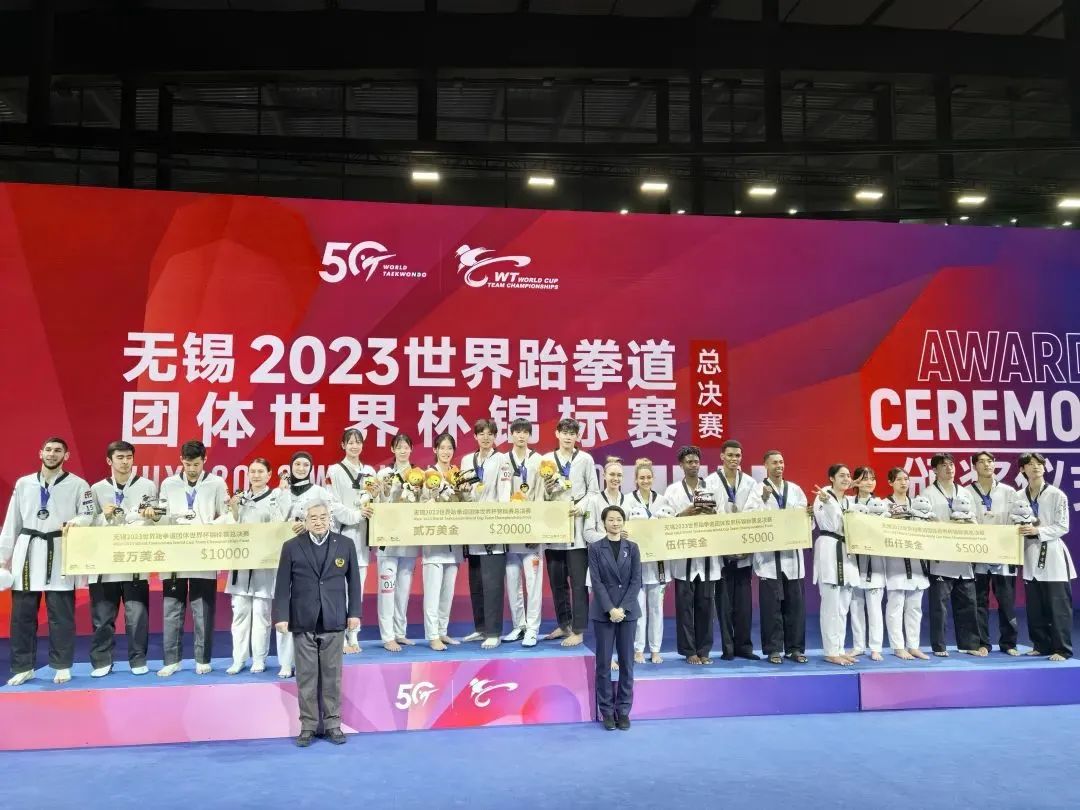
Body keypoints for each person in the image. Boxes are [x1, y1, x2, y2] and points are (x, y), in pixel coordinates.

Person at [0, 437, 94, 686]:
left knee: (61, 615)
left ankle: (62, 665)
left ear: (66, 456)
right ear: (40, 453)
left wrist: (77, 522)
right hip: (27, 551)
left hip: (59, 550)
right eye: (49, 450)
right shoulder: (24, 483)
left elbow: (88, 514)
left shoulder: (78, 484)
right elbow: (11, 523)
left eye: (58, 451)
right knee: (22, 616)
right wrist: (2, 559)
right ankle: (23, 667)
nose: (52, 454)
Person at [273, 500, 361, 747]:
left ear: (330, 518)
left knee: (332, 676)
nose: (319, 521)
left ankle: (333, 724)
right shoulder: (291, 546)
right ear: (305, 521)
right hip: (303, 620)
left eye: (323, 517)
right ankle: (308, 726)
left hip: (335, 619)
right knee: (306, 676)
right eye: (313, 518)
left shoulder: (345, 544)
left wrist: (354, 613)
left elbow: (354, 582)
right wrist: (281, 616)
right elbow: (282, 585)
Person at [152, 440, 228, 677]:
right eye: (187, 464)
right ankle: (171, 660)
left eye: (196, 464)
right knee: (172, 609)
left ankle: (202, 659)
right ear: (181, 461)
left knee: (202, 609)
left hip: (204, 550)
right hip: (175, 550)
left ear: (204, 460)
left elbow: (226, 515)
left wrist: (208, 527)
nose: (192, 469)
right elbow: (162, 514)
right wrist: (156, 516)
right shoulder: (169, 484)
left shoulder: (216, 483)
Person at [86, 440, 159, 678]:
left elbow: (155, 521)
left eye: (129, 457)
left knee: (137, 617)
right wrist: (103, 517)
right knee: (103, 617)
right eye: (120, 457)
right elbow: (87, 523)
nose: (125, 462)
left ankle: (138, 659)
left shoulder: (147, 486)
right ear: (109, 460)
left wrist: (152, 517)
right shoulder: (97, 489)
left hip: (135, 560)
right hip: (104, 562)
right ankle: (102, 661)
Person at [224, 458, 286, 675]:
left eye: (261, 471)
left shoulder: (275, 497)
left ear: (269, 475)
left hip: (264, 564)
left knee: (261, 614)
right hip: (241, 563)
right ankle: (238, 659)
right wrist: (233, 509)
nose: (256, 475)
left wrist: (278, 501)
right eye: (253, 471)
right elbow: (231, 528)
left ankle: (259, 659)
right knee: (240, 613)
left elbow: (279, 527)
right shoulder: (240, 498)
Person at [541, 418, 599, 648]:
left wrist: (581, 507)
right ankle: (564, 624)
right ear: (557, 434)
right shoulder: (547, 459)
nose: (568, 436)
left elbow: (594, 492)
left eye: (572, 433)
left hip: (577, 527)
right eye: (564, 432)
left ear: (577, 436)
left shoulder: (585, 459)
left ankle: (578, 629)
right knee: (557, 582)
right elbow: (540, 496)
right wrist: (547, 491)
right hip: (554, 526)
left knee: (578, 583)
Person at [705, 439, 764, 661]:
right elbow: (709, 511)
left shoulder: (750, 482)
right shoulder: (710, 481)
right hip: (721, 548)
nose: (734, 459)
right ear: (722, 456)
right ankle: (728, 648)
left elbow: (754, 510)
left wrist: (742, 537)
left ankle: (744, 647)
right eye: (730, 455)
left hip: (743, 547)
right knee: (724, 603)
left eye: (737, 455)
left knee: (744, 604)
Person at [663, 445, 722, 665]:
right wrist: (683, 514)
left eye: (696, 461)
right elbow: (665, 520)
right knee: (685, 608)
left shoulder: (712, 488)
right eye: (689, 462)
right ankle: (689, 651)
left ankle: (704, 650)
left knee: (706, 608)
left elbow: (724, 517)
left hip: (707, 557)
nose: (693, 465)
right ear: (681, 465)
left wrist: (713, 513)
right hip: (683, 557)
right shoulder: (672, 491)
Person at [459, 418, 513, 649]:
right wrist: (463, 492)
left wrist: (498, 521)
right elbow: (464, 493)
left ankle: (494, 632)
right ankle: (481, 628)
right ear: (475, 436)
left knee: (493, 584)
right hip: (472, 526)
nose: (486, 437)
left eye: (490, 433)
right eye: (481, 433)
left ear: (495, 437)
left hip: (493, 525)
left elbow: (505, 492)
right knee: (477, 583)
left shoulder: (502, 459)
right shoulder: (466, 460)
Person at [924, 452, 983, 657]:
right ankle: (939, 647)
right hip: (940, 558)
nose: (949, 468)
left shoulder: (965, 493)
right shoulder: (928, 494)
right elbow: (924, 524)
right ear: (934, 470)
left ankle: (970, 645)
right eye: (943, 465)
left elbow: (975, 521)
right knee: (939, 607)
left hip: (963, 557)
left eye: (951, 464)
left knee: (968, 603)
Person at [1017, 452, 1074, 661]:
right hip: (1030, 554)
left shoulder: (1057, 495)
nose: (1036, 467)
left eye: (1039, 464)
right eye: (1030, 464)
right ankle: (1041, 645)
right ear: (1022, 469)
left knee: (1058, 607)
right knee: (1035, 606)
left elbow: (1063, 526)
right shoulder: (1018, 496)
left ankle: (1062, 649)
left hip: (1053, 555)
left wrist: (1037, 531)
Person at [588, 505, 642, 731]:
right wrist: (611, 609)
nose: (615, 523)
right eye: (611, 519)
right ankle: (607, 712)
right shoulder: (595, 548)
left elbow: (636, 581)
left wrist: (623, 608)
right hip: (604, 612)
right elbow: (596, 581)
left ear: (623, 521)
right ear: (604, 523)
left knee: (627, 663)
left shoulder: (633, 547)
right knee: (603, 664)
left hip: (628, 613)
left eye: (619, 519)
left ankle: (624, 711)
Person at [754, 450, 810, 665]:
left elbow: (805, 520)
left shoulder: (795, 490)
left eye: (781, 462)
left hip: (792, 558)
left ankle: (795, 649)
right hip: (769, 559)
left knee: (795, 607)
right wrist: (763, 499)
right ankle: (773, 649)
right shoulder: (757, 490)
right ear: (765, 466)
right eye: (774, 463)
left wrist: (809, 516)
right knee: (771, 608)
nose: (779, 466)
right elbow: (750, 518)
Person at [324, 428, 377, 654]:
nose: (355, 446)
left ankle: (354, 635)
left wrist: (378, 495)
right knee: (340, 589)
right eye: (350, 442)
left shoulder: (370, 471)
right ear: (343, 445)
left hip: (363, 537)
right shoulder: (334, 470)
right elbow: (332, 504)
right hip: (343, 535)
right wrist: (356, 515)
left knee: (358, 588)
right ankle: (340, 636)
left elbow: (375, 502)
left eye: (358, 442)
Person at [968, 451, 1019, 655]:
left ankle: (1009, 644)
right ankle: (982, 643)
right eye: (981, 462)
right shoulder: (966, 492)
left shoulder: (1009, 492)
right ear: (974, 467)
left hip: (1003, 554)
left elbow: (1016, 519)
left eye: (990, 461)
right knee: (979, 601)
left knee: (1006, 601)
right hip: (977, 554)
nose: (987, 465)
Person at [502, 419, 545, 647]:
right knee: (512, 582)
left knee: (533, 583)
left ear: (530, 435)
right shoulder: (502, 460)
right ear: (511, 435)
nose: (521, 436)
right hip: (509, 529)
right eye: (517, 432)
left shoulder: (539, 460)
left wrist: (535, 528)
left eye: (525, 432)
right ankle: (519, 626)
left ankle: (533, 628)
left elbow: (541, 495)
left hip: (531, 531)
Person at [375, 433, 420, 652]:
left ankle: (400, 632)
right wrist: (385, 490)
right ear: (392, 449)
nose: (403, 450)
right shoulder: (383, 474)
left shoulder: (419, 474)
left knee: (403, 591)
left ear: (411, 449)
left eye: (406, 447)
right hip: (388, 540)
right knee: (387, 590)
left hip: (408, 539)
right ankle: (387, 635)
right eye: (399, 447)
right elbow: (377, 502)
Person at [813, 464, 860, 667]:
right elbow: (831, 523)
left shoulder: (849, 501)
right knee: (830, 606)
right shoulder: (823, 495)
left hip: (847, 551)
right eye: (841, 475)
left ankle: (840, 648)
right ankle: (830, 651)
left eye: (848, 475)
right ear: (831, 478)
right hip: (829, 549)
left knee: (843, 607)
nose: (846, 478)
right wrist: (828, 503)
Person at [883, 468, 930, 660]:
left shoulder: (918, 504)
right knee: (895, 606)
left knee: (915, 607)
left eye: (906, 479)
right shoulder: (884, 505)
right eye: (899, 479)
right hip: (895, 561)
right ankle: (897, 646)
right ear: (890, 482)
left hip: (917, 560)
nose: (903, 483)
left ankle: (914, 645)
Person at [422, 432, 463, 651]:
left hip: (454, 542)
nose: (446, 452)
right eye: (442, 448)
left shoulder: (457, 474)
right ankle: (432, 635)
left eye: (450, 448)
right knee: (433, 593)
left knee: (447, 593)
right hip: (435, 541)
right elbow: (423, 504)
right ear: (435, 450)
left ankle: (442, 631)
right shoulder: (429, 474)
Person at [628, 458, 671, 665]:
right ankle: (638, 649)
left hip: (658, 564)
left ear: (653, 478)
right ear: (636, 480)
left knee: (656, 609)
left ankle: (655, 649)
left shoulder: (663, 501)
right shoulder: (628, 500)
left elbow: (670, 528)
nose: (645, 481)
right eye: (641, 478)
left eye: (648, 477)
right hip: (636, 564)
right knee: (638, 609)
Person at [848, 467, 886, 661]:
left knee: (874, 609)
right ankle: (858, 646)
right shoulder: (847, 502)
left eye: (872, 478)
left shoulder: (881, 505)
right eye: (864, 479)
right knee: (856, 608)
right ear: (855, 481)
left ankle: (876, 647)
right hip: (853, 561)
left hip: (875, 563)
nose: (869, 482)